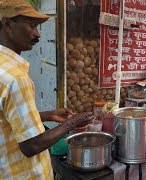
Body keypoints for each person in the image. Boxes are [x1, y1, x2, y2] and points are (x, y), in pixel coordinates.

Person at [0, 0, 94, 179]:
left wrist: (48, 115)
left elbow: (6, 117)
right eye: (31, 26)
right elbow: (31, 146)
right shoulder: (17, 79)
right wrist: (71, 123)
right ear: (7, 24)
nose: (37, 35)